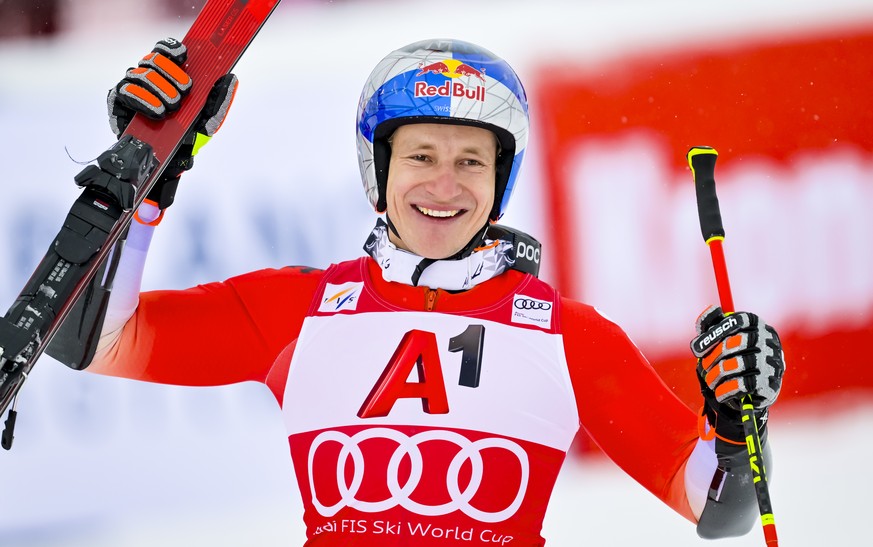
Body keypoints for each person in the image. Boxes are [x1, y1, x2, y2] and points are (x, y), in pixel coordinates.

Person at [46, 38, 785, 545]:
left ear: (501, 182)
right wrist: (147, 180)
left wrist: (734, 422)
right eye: (420, 155)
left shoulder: (567, 336)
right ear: (379, 170)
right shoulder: (297, 312)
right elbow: (94, 340)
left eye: (471, 161)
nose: (443, 183)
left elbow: (715, 509)